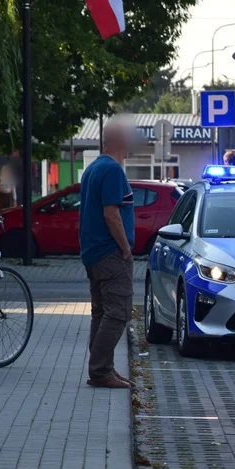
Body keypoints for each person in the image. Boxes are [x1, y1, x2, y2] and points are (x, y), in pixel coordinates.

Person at [79, 120, 137, 389]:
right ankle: (101, 371)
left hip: (93, 252)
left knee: (101, 313)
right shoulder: (112, 170)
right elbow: (111, 214)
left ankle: (103, 369)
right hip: (110, 253)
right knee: (118, 312)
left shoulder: (93, 168)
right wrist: (125, 248)